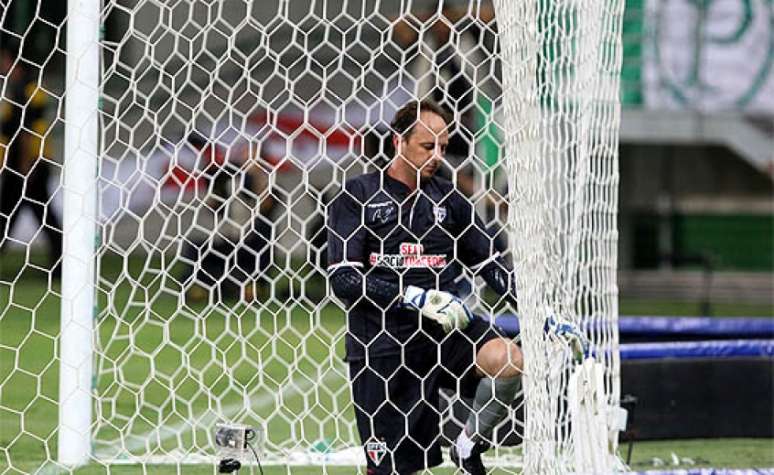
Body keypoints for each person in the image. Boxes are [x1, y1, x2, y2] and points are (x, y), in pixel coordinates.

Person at [327, 100, 522, 475]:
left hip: (443, 333)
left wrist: (539, 310)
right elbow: (344, 278)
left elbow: (491, 265)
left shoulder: (449, 200)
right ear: (399, 142)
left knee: (508, 360)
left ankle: (466, 447)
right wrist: (414, 297)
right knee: (394, 469)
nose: (437, 156)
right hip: (383, 344)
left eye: (444, 148)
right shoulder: (357, 195)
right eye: (427, 146)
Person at [0, 48, 62, 277]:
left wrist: (25, 167)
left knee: (14, 214)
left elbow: (25, 131)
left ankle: (63, 264)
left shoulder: (27, 90)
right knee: (37, 215)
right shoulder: (22, 88)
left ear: (13, 61)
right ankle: (62, 264)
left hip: (28, 165)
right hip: (23, 165)